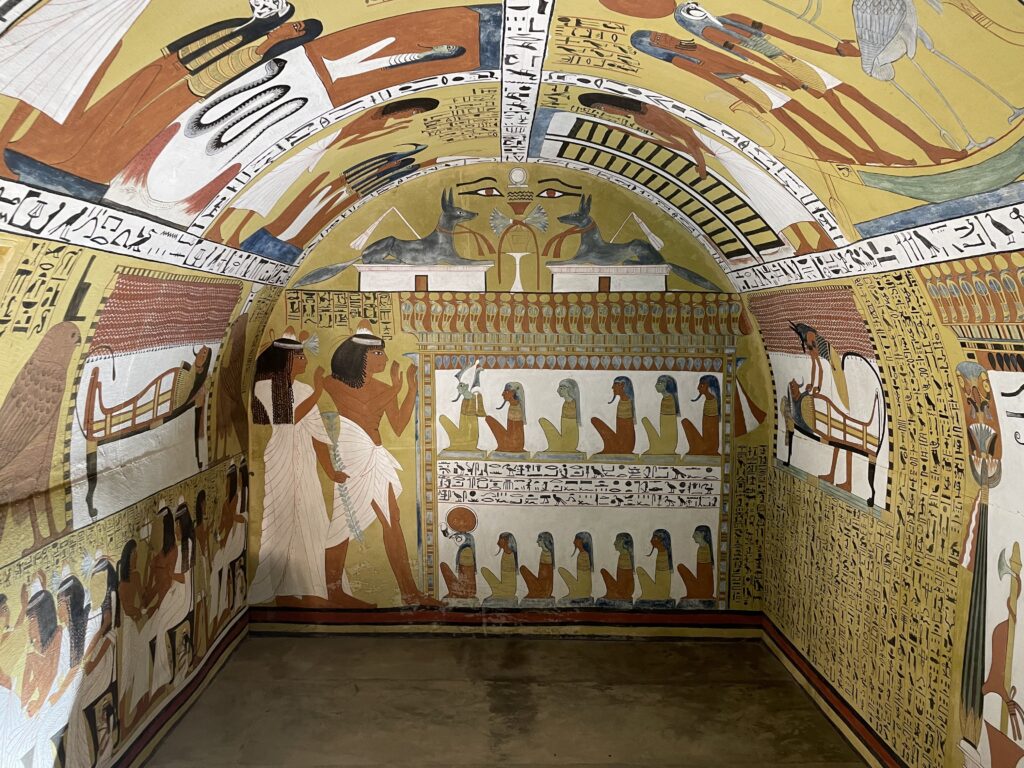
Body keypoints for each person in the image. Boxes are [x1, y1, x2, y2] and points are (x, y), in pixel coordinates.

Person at [3, 8, 321, 190]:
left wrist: (261, 36)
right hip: (175, 71)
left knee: (129, 127)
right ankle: (61, 153)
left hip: (187, 89)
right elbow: (204, 45)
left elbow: (225, 68)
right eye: (290, 22)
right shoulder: (246, 32)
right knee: (115, 107)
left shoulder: (261, 51)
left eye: (295, 27)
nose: (287, 26)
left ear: (298, 36)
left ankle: (82, 165)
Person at [323, 323, 439, 606]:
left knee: (392, 518)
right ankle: (333, 591)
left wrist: (410, 390)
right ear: (361, 356)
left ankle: (410, 592)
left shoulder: (385, 388)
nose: (385, 359)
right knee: (342, 523)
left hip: (375, 454)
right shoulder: (333, 382)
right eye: (378, 353)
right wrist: (396, 388)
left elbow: (398, 426)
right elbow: (362, 406)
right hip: (351, 455)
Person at [249, 335, 346, 606]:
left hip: (305, 463)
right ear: (286, 359)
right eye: (300, 356)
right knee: (279, 522)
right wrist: (317, 392)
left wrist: (330, 471)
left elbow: (317, 435)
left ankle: (310, 587)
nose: (305, 361)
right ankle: (281, 590)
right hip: (279, 458)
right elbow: (287, 418)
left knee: (311, 521)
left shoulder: (303, 389)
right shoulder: (264, 386)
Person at [65, 557, 119, 768]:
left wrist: (92, 661)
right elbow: (94, 637)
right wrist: (85, 659)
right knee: (73, 704)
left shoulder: (110, 599)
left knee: (76, 705)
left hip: (104, 660)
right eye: (95, 578)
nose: (97, 583)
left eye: (100, 579)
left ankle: (83, 760)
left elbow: (109, 633)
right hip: (94, 657)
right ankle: (79, 760)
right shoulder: (93, 603)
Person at [439, 369, 486, 454]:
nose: (457, 388)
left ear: (467, 387)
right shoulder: (465, 400)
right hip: (463, 438)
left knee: (443, 419)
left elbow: (471, 429)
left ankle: (463, 444)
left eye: (460, 385)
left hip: (468, 441)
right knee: (442, 418)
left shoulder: (474, 398)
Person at [592, 377, 636, 456]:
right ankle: (612, 447)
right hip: (622, 443)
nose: (612, 387)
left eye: (615, 384)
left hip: (624, 446)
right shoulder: (623, 401)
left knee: (594, 420)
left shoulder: (626, 403)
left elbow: (625, 431)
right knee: (595, 420)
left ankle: (612, 448)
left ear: (622, 385)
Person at [538, 379, 582, 455]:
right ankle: (558, 446)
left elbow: (570, 428)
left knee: (543, 421)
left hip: (570, 441)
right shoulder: (566, 403)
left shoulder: (572, 404)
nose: (558, 390)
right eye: (560, 388)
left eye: (562, 388)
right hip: (565, 437)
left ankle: (562, 447)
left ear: (568, 389)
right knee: (542, 421)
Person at [682, 375, 721, 456]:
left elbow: (711, 432)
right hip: (707, 445)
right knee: (685, 422)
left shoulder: (713, 403)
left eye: (702, 385)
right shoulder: (709, 401)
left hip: (709, 448)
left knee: (685, 422)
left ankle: (699, 449)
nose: (698, 388)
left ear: (710, 387)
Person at [642, 375, 681, 457]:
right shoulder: (666, 399)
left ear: (666, 385)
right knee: (645, 421)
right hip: (667, 444)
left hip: (667, 445)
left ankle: (661, 448)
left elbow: (668, 426)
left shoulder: (669, 400)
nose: (656, 385)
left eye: (659, 383)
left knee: (644, 421)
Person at [486, 382, 527, 454]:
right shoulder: (514, 406)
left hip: (512, 445)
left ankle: (505, 447)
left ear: (513, 393)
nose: (502, 394)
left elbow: (514, 435)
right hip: (515, 444)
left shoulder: (515, 408)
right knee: (489, 419)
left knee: (488, 419)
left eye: (506, 391)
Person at [678, 525, 716, 600]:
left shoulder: (703, 549)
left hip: (703, 591)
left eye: (696, 533)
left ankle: (694, 594)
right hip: (706, 590)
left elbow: (703, 576)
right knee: (681, 567)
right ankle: (693, 593)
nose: (693, 536)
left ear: (703, 534)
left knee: (680, 567)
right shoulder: (704, 547)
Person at [481, 532, 519, 602]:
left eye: (500, 540)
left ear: (506, 541)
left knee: (483, 570)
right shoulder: (507, 553)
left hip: (507, 590)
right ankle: (498, 592)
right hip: (508, 589)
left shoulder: (509, 556)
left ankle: (499, 593)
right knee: (484, 570)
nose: (498, 542)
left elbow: (508, 579)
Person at [637, 529, 673, 601]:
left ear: (662, 540)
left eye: (655, 538)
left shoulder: (664, 555)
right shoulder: (661, 553)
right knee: (639, 570)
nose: (651, 540)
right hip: (661, 592)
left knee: (639, 570)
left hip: (662, 593)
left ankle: (654, 594)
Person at [439, 533, 477, 601]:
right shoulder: (464, 549)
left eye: (458, 539)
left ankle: (463, 592)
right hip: (466, 590)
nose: (456, 541)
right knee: (444, 566)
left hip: (465, 591)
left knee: (443, 566)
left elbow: (466, 574)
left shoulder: (466, 551)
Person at [600, 533, 636, 602]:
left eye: (617, 540)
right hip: (623, 590)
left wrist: (618, 592)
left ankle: (615, 594)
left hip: (623, 592)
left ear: (622, 542)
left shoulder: (625, 557)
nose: (614, 543)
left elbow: (624, 582)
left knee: (603, 571)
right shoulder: (623, 556)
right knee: (603, 571)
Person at [558, 532, 594, 602]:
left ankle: (577, 592)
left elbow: (583, 580)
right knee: (561, 570)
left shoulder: (583, 555)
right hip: (586, 590)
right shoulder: (583, 554)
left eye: (576, 539)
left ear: (581, 541)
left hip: (582, 590)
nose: (573, 542)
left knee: (560, 570)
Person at [521, 532, 555, 600]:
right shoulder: (544, 552)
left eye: (539, 540)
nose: (537, 541)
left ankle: (535, 592)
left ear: (545, 541)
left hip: (543, 590)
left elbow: (545, 578)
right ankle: (535, 591)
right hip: (541, 586)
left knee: (522, 569)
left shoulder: (547, 555)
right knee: (523, 569)